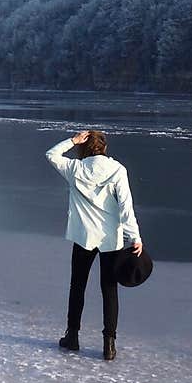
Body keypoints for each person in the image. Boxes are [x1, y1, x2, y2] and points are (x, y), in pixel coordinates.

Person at [45, 128, 143, 361]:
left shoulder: (74, 169)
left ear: (83, 147)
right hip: (111, 239)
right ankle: (109, 345)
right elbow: (125, 207)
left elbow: (51, 154)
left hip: (84, 237)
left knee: (77, 285)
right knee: (109, 290)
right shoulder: (118, 170)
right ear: (105, 148)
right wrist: (134, 237)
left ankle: (73, 337)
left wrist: (72, 140)